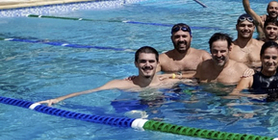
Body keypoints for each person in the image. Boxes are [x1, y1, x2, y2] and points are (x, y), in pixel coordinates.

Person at [37, 47, 176, 105]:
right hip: (129, 106)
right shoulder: (123, 84)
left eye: (151, 61)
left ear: (158, 64)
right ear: (136, 64)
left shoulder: (168, 82)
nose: (147, 65)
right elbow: (91, 91)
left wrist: (177, 75)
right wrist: (58, 99)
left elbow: (195, 79)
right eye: (143, 61)